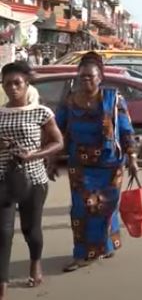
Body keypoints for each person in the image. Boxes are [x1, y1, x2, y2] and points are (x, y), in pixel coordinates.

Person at [54, 52, 139, 272]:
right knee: (83, 209)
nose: (86, 81)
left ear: (100, 77)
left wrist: (133, 157)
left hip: (110, 165)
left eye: (90, 77)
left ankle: (105, 245)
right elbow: (57, 133)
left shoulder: (113, 99)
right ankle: (83, 254)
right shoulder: (69, 101)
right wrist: (51, 159)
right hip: (80, 167)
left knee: (107, 208)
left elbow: (127, 130)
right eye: (82, 77)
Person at [0, 61, 64, 293]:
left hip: (34, 179)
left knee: (30, 228)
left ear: (27, 84)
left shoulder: (41, 112)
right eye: (7, 84)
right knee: (3, 232)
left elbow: (58, 142)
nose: (13, 88)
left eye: (17, 83)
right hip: (3, 179)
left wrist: (34, 155)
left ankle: (35, 263)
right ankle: (2, 284)